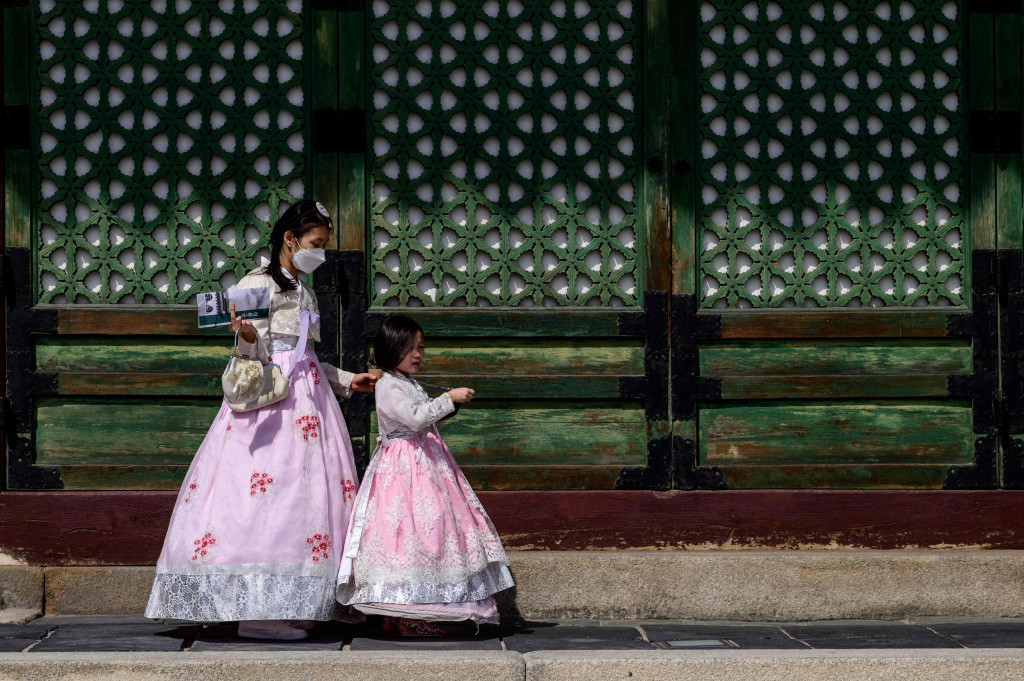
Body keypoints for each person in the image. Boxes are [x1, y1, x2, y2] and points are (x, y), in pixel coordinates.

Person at [145, 200, 376, 640]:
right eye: (315, 243)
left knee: (304, 502)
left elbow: (304, 356)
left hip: (309, 401)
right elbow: (256, 354)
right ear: (290, 239)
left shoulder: (303, 290)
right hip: (272, 409)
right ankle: (258, 612)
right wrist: (249, 336)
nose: (320, 252)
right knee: (268, 499)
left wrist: (347, 379)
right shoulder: (256, 285)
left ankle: (293, 599)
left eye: (323, 245)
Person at [336, 315, 514, 635]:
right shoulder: (388, 385)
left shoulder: (408, 382)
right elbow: (415, 418)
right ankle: (405, 613)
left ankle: (412, 613)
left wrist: (447, 407)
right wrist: (449, 399)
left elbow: (425, 419)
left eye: (421, 348)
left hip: (425, 462)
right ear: (392, 349)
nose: (417, 354)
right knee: (407, 532)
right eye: (410, 348)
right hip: (403, 468)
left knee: (435, 528)